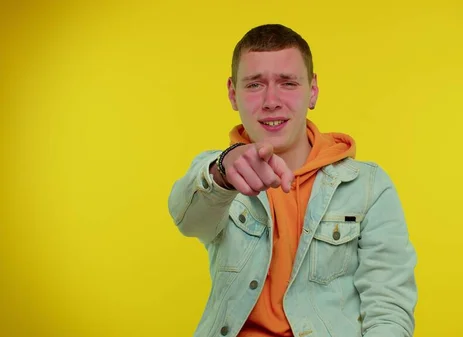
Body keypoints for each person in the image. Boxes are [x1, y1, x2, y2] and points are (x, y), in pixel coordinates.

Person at [168, 23, 418, 337]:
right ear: (233, 94)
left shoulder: (368, 186)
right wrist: (222, 172)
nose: (271, 100)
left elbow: (389, 307)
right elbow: (188, 220)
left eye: (287, 83)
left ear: (312, 90)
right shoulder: (216, 174)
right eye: (255, 84)